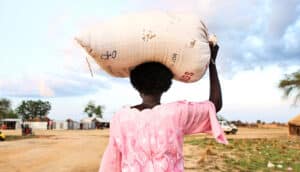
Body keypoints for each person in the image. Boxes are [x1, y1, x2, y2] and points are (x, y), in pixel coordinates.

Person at [99, 43, 227, 172]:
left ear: (136, 86)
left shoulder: (120, 118)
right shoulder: (176, 113)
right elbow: (215, 104)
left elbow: (112, 161)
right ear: (165, 87)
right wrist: (212, 63)